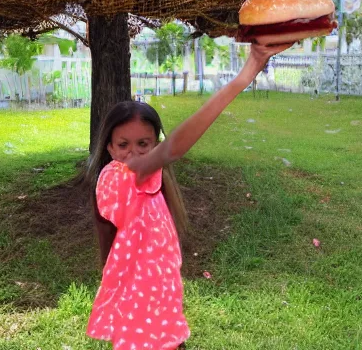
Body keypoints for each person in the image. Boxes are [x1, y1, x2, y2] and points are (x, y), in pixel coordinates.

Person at [86, 42, 293, 350]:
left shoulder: (148, 183)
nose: (133, 153)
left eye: (144, 144)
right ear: (110, 148)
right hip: (141, 309)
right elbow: (174, 148)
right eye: (123, 144)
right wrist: (246, 73)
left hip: (156, 301)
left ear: (153, 142)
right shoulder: (121, 179)